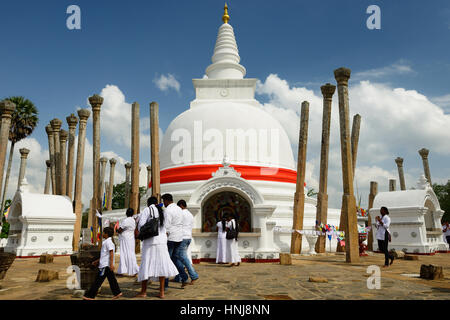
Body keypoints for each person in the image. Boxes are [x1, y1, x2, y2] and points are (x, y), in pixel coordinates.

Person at [136, 197, 179, 299]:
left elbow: (141, 225)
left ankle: (144, 292)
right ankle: (162, 292)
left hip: (150, 241)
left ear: (148, 203)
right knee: (161, 266)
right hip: (161, 242)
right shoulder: (163, 211)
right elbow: (165, 226)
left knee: (146, 265)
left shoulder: (147, 210)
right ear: (157, 203)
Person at [83, 227, 122, 300]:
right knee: (112, 280)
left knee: (98, 281)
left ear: (106, 234)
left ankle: (90, 296)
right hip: (105, 264)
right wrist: (97, 261)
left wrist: (111, 264)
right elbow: (105, 255)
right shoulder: (107, 242)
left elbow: (111, 253)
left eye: (103, 232)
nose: (102, 234)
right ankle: (117, 292)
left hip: (105, 265)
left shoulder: (109, 242)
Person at [162, 193, 185, 289]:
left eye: (164, 201)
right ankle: (184, 277)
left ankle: (165, 284)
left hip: (170, 237)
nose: (164, 203)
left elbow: (166, 226)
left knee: (167, 260)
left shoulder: (168, 210)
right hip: (179, 237)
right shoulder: (179, 209)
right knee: (175, 259)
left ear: (167, 200)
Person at [173, 200, 199, 286]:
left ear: (181, 205)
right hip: (188, 237)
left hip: (182, 237)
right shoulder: (190, 214)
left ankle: (193, 275)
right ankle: (180, 276)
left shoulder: (182, 214)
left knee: (182, 257)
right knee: (177, 257)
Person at [117, 208, 139, 277]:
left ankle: (135, 270)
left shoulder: (126, 220)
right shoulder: (133, 220)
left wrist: (116, 230)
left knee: (125, 254)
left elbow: (120, 230)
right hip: (131, 239)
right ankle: (122, 270)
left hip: (125, 239)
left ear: (126, 213)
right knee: (130, 253)